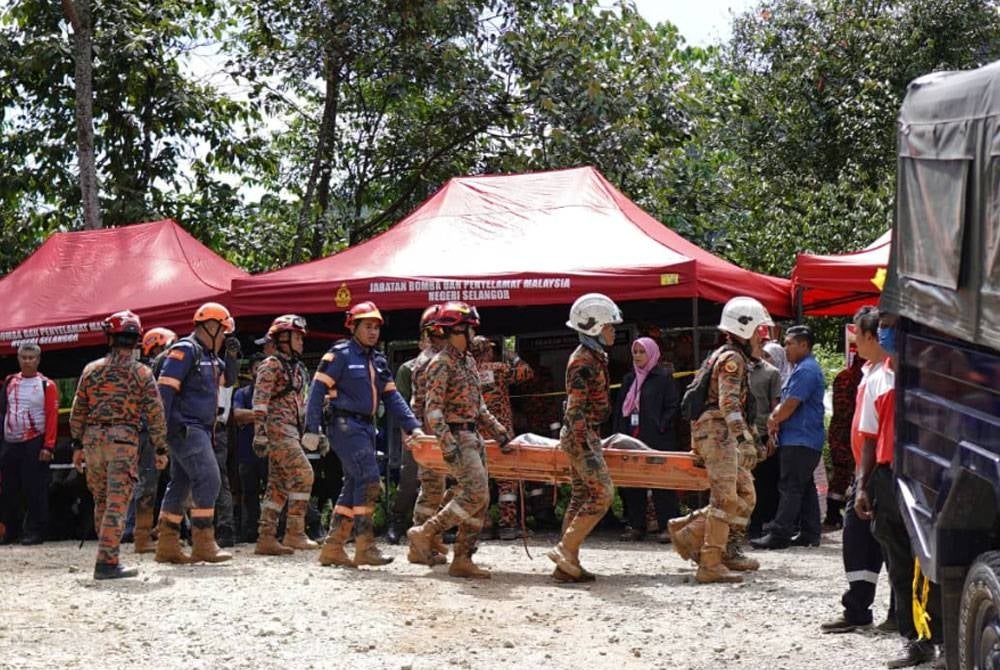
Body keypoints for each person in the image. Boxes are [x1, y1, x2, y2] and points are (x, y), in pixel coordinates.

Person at [305, 301, 425, 568]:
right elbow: (316, 391)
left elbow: (393, 397)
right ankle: (365, 546)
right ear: (353, 327)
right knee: (369, 479)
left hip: (366, 427)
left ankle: (334, 547)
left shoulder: (377, 360)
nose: (373, 332)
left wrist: (413, 426)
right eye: (367, 326)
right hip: (344, 425)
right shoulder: (340, 355)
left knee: (355, 483)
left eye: (376, 327)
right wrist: (311, 429)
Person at [854, 310, 941, 668]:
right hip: (889, 478)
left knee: (933, 561)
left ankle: (942, 638)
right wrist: (862, 487)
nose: (885, 334)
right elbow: (869, 438)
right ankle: (915, 640)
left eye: (891, 327)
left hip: (929, 477)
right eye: (883, 328)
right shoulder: (878, 378)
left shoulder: (933, 372)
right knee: (900, 562)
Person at [669, 296, 773, 583]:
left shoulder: (730, 356)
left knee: (746, 494)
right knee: (725, 498)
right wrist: (744, 440)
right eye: (759, 331)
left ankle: (700, 538)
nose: (762, 338)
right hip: (718, 434)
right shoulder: (732, 360)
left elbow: (737, 406)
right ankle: (710, 563)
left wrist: (751, 438)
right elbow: (729, 403)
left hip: (721, 433)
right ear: (744, 329)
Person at [406, 301, 511, 579]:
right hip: (457, 437)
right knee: (475, 492)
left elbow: (479, 406)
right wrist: (447, 443)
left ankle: (462, 559)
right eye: (470, 328)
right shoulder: (440, 363)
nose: (474, 334)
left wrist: (498, 431)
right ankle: (425, 531)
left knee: (481, 499)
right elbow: (433, 409)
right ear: (457, 330)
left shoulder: (468, 361)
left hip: (473, 435)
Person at [69, 310, 169, 579]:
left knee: (102, 501)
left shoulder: (91, 370)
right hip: (123, 442)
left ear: (110, 337)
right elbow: (155, 413)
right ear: (136, 340)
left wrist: (77, 445)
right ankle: (107, 563)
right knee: (117, 502)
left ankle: (106, 555)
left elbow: (78, 411)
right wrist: (160, 448)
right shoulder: (142, 373)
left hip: (93, 443)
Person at [820, 305, 892, 635]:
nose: (854, 340)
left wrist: (863, 482)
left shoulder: (885, 376)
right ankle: (859, 607)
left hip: (878, 471)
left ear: (872, 336)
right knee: (860, 541)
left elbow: (873, 437)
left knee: (885, 543)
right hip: (867, 471)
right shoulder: (870, 372)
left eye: (858, 334)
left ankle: (893, 613)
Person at [544, 293, 622, 583]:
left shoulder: (594, 357)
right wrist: (584, 443)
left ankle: (567, 565)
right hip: (581, 434)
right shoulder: (582, 361)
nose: (613, 331)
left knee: (580, 496)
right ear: (595, 327)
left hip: (585, 433)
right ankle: (565, 549)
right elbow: (575, 409)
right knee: (603, 493)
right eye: (609, 326)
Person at [155, 302, 235, 564]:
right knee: (209, 479)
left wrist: (232, 355)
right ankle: (203, 543)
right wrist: (160, 433)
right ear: (210, 326)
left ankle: (167, 544)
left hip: (199, 429)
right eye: (222, 331)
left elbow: (229, 379)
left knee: (180, 483)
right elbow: (165, 392)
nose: (223, 337)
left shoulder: (208, 356)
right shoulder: (186, 350)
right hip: (186, 427)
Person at [753, 325, 827, 550]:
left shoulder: (806, 371)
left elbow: (790, 404)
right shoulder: (803, 369)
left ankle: (780, 534)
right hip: (803, 438)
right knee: (804, 485)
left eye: (789, 343)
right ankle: (809, 532)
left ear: (804, 345)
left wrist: (773, 419)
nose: (785, 348)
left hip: (800, 438)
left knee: (790, 486)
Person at [250, 315, 317, 555]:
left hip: (291, 430)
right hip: (278, 431)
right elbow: (260, 401)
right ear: (283, 339)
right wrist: (260, 433)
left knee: (277, 486)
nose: (301, 342)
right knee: (304, 474)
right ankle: (294, 532)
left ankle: (266, 537)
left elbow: (301, 402)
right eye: (297, 337)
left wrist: (312, 432)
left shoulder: (296, 368)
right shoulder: (271, 364)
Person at [613, 336, 679, 542]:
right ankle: (636, 526)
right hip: (632, 437)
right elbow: (620, 410)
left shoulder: (663, 378)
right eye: (635, 352)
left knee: (662, 485)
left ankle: (667, 526)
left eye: (642, 352)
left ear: (651, 353)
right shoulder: (629, 379)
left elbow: (673, 407)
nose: (638, 356)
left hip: (657, 440)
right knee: (634, 483)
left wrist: (661, 426)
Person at [471, 335, 535, 541]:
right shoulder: (498, 369)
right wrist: (514, 357)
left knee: (479, 480)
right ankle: (508, 525)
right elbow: (526, 372)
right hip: (501, 435)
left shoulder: (466, 371)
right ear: (487, 351)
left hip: (476, 436)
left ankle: (483, 525)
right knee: (507, 480)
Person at [386, 305, 439, 545]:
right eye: (427, 338)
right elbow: (402, 406)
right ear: (420, 342)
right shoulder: (408, 369)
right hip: (416, 431)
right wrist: (405, 435)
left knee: (440, 480)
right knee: (409, 478)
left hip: (441, 431)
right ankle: (397, 521)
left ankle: (433, 528)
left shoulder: (450, 363)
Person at [122, 327, 177, 553]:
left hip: (155, 431)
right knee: (148, 482)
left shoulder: (145, 369)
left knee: (153, 482)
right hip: (151, 432)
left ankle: (143, 529)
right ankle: (137, 530)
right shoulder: (153, 369)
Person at [406, 305, 452, 566]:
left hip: (438, 434)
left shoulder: (439, 357)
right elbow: (425, 404)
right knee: (432, 489)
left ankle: (430, 536)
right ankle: (420, 543)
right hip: (432, 434)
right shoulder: (431, 361)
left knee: (439, 488)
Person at [0, 343, 59, 545]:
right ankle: (10, 530)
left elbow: (52, 416)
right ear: (18, 359)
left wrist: (48, 446)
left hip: (34, 441)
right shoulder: (10, 381)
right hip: (10, 442)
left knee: (34, 489)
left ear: (38, 360)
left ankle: (36, 530)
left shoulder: (46, 385)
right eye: (24, 357)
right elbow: (3, 411)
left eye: (31, 358)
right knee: (9, 489)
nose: (27, 361)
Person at [824, 350, 865, 530]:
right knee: (842, 473)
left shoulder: (851, 377)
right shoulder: (850, 378)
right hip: (845, 432)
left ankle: (836, 511)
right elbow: (845, 410)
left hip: (847, 431)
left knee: (844, 473)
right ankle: (833, 513)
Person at [748, 334, 782, 537]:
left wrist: (772, 436)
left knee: (763, 482)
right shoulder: (735, 368)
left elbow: (774, 406)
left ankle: (758, 526)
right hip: (738, 433)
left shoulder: (771, 373)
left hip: (761, 433)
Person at [232, 354, 268, 544]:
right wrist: (263, 414)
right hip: (247, 452)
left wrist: (252, 415)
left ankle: (273, 531)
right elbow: (237, 414)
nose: (260, 373)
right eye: (257, 368)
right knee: (249, 493)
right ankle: (250, 532)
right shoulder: (242, 393)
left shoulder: (274, 393)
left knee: (274, 492)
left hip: (270, 451)